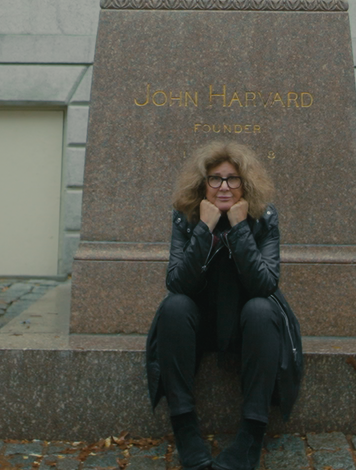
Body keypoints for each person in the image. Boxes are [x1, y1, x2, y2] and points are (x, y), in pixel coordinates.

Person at [144, 142, 304, 470]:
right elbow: (177, 283)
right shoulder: (186, 218)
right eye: (215, 179)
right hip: (200, 326)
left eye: (233, 179)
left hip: (252, 329)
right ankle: (185, 428)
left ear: (245, 184)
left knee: (262, 308)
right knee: (174, 308)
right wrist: (204, 228)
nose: (224, 187)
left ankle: (251, 435)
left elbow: (265, 284)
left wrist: (240, 227)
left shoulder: (264, 218)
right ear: (202, 184)